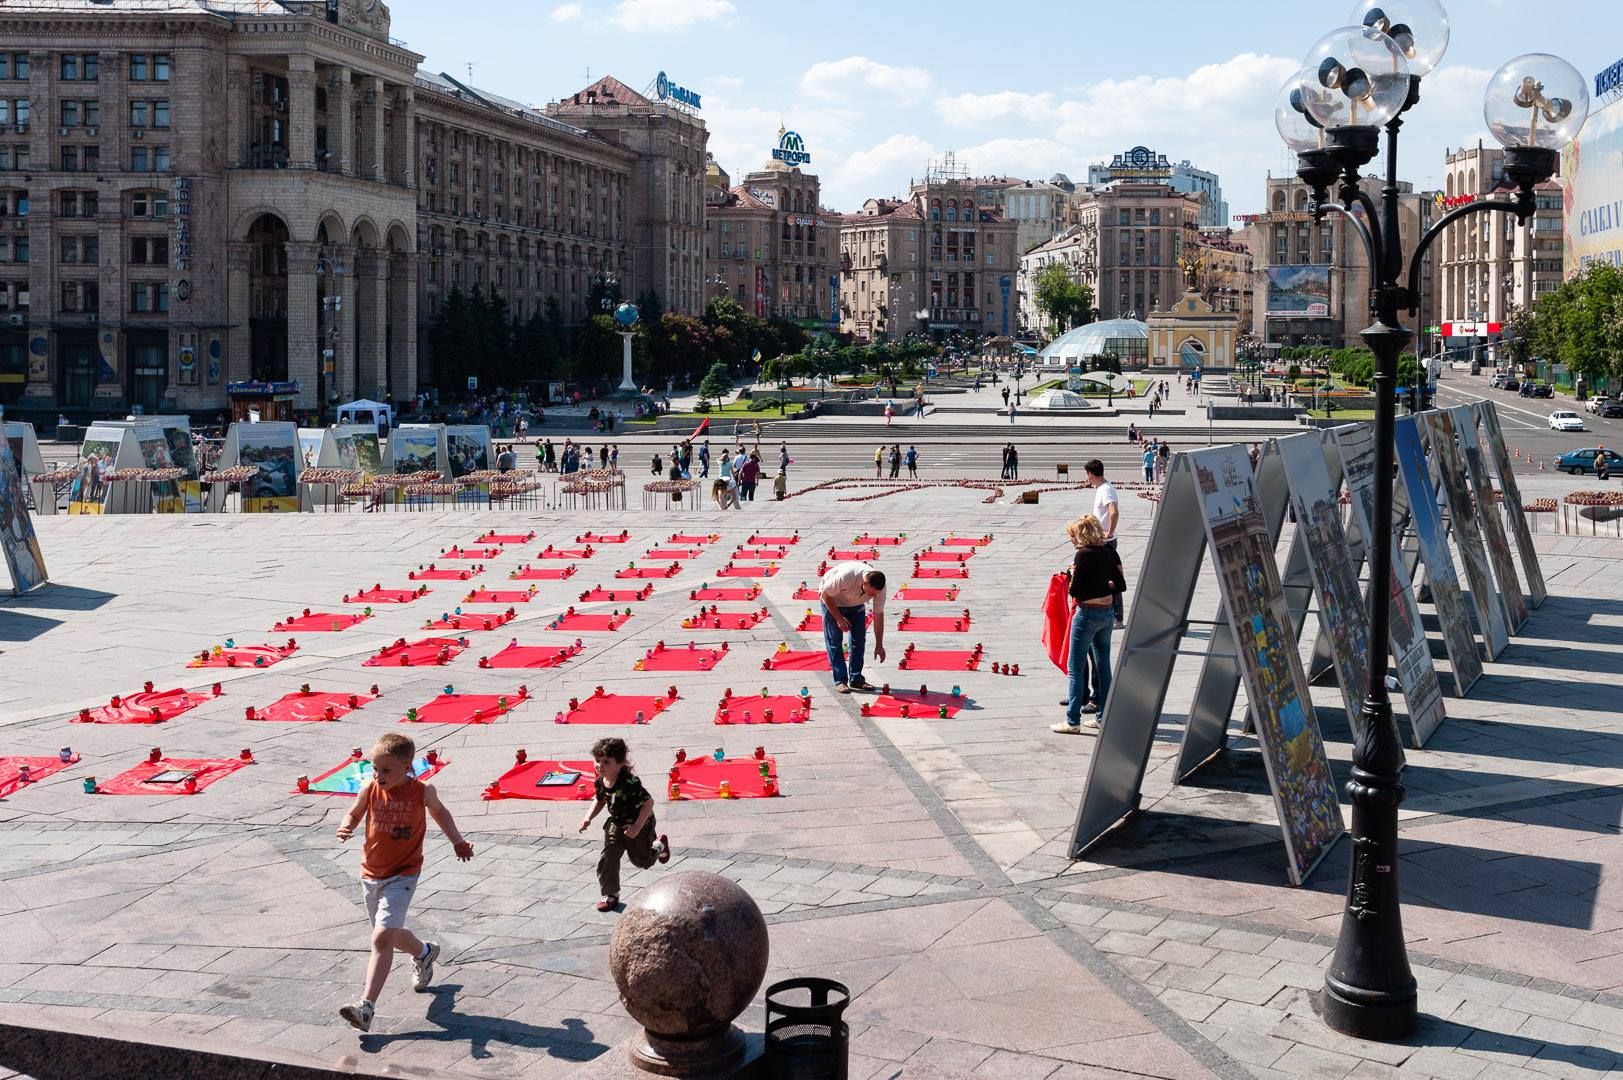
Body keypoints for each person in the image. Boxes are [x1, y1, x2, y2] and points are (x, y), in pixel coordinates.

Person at [336, 733, 473, 1032]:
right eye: (375, 768)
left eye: (386, 770)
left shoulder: (422, 791)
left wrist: (458, 841)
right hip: (371, 873)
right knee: (388, 935)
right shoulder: (369, 788)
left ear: (407, 766)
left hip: (404, 874)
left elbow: (440, 812)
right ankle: (424, 952)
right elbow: (355, 812)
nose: (378, 775)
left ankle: (366, 1008)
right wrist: (347, 825)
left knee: (381, 938)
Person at [578, 737, 670, 913]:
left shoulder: (630, 783)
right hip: (616, 822)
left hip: (640, 823)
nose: (600, 765)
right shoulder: (600, 780)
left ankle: (660, 845)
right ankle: (611, 894)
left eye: (606, 762)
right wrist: (588, 818)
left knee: (643, 861)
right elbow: (599, 800)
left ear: (619, 763)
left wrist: (636, 827)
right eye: (597, 761)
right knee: (609, 855)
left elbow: (648, 803)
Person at [1053, 514, 1124, 736]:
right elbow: (1120, 584)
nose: (1072, 540)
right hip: (1107, 613)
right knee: (1104, 667)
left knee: (1075, 667)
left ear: (1082, 534)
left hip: (1087, 614)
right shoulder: (1108, 552)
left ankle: (1072, 720)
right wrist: (1103, 586)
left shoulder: (1082, 556)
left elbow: (1076, 592)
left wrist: (1073, 574)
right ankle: (1103, 717)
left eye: (1073, 536)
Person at [818, 562, 887, 693]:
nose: (873, 597)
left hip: (856, 604)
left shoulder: (880, 589)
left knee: (859, 640)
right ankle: (840, 680)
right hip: (832, 600)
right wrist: (839, 619)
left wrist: (879, 644)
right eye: (870, 593)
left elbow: (878, 615)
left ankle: (856, 678)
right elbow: (826, 595)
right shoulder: (847, 577)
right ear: (864, 583)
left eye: (874, 594)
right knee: (834, 641)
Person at [1083, 459, 1123, 629]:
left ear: (1091, 473)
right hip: (1102, 540)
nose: (1087, 478)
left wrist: (1110, 532)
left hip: (1105, 542)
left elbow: (1114, 512)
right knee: (1107, 577)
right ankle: (1113, 615)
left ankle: (1116, 617)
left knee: (1111, 578)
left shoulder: (1105, 490)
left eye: (1087, 474)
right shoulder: (1102, 488)